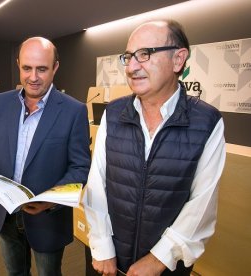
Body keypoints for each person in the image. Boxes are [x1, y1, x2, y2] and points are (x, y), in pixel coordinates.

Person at [82, 20, 226, 276]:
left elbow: (201, 206)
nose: (132, 67)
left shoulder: (207, 122)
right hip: (108, 263)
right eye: (128, 57)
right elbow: (96, 184)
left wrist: (159, 259)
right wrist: (103, 246)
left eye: (145, 54)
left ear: (178, 59)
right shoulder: (113, 113)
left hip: (166, 269)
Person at [0, 37, 91, 276]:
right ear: (18, 64)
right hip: (4, 215)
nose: (33, 77)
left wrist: (51, 200)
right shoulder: (1, 102)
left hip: (48, 219)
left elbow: (80, 167)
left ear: (55, 68)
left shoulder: (74, 110)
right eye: (27, 68)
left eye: (42, 69)